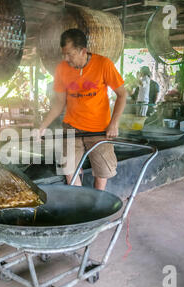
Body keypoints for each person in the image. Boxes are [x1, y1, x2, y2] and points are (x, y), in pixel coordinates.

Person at [37, 29, 127, 191]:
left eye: (70, 54)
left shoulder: (103, 64)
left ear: (83, 51)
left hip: (100, 130)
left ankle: (97, 205)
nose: (66, 59)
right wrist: (42, 126)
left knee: (102, 172)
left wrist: (114, 123)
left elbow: (122, 94)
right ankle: (79, 201)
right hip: (71, 128)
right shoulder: (62, 69)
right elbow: (59, 103)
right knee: (69, 170)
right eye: (64, 54)